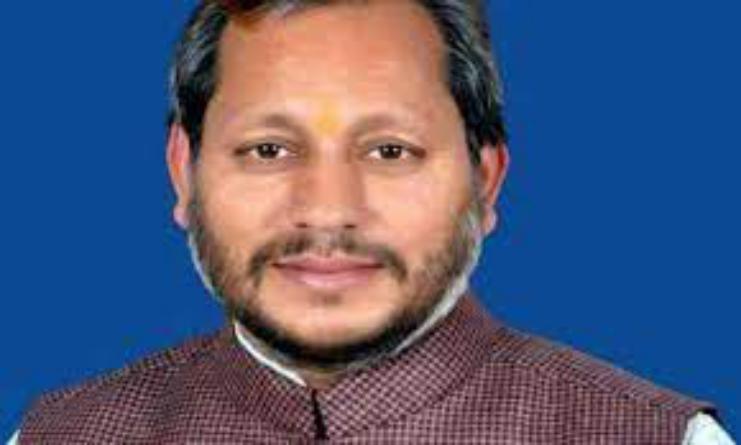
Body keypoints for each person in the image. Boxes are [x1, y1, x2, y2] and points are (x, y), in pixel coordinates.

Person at [12, 0, 735, 443]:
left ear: (485, 179)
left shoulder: (660, 438)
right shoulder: (57, 437)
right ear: (182, 170)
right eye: (268, 149)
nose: (328, 209)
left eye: (390, 151)